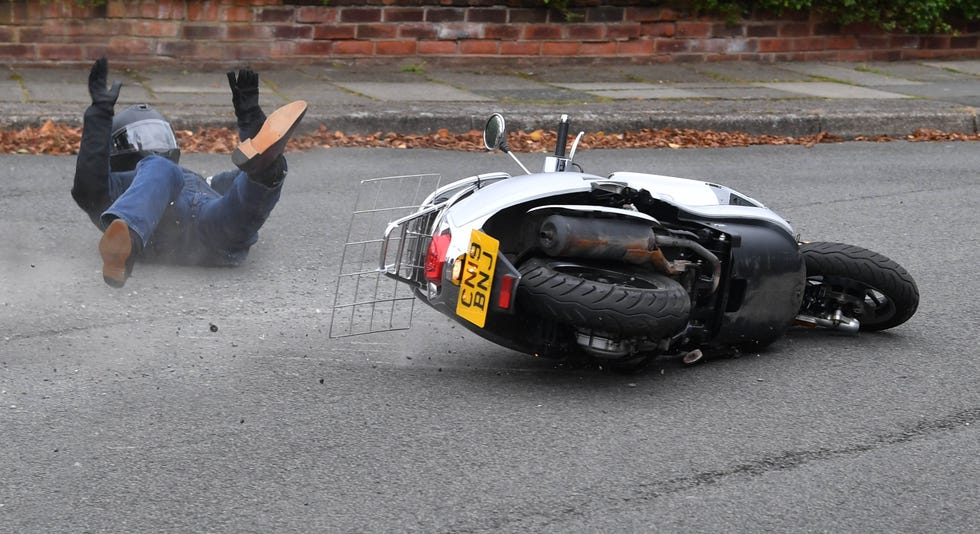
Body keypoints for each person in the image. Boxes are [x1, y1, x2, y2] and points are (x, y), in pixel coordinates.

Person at [71, 57, 307, 288]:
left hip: (216, 227)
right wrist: (99, 115)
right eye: (138, 138)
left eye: (159, 135)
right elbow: (88, 187)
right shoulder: (119, 190)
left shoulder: (199, 180)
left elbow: (241, 188)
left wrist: (251, 121)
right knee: (161, 168)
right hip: (158, 232)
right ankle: (125, 244)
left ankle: (266, 163)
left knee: (257, 178)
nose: (155, 146)